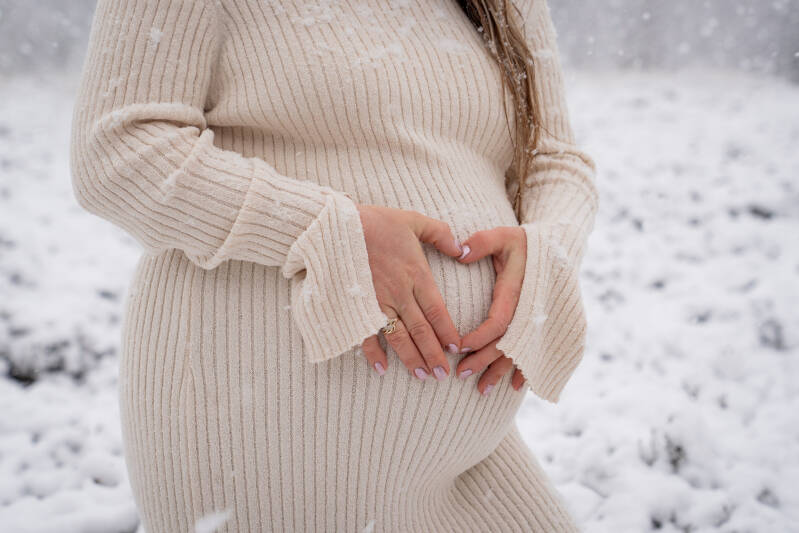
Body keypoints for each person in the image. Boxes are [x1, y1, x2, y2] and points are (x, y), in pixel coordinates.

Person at [70, 0, 598, 531]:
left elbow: (554, 155)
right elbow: (118, 151)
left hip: (467, 448)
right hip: (263, 428)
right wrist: (324, 230)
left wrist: (546, 249)